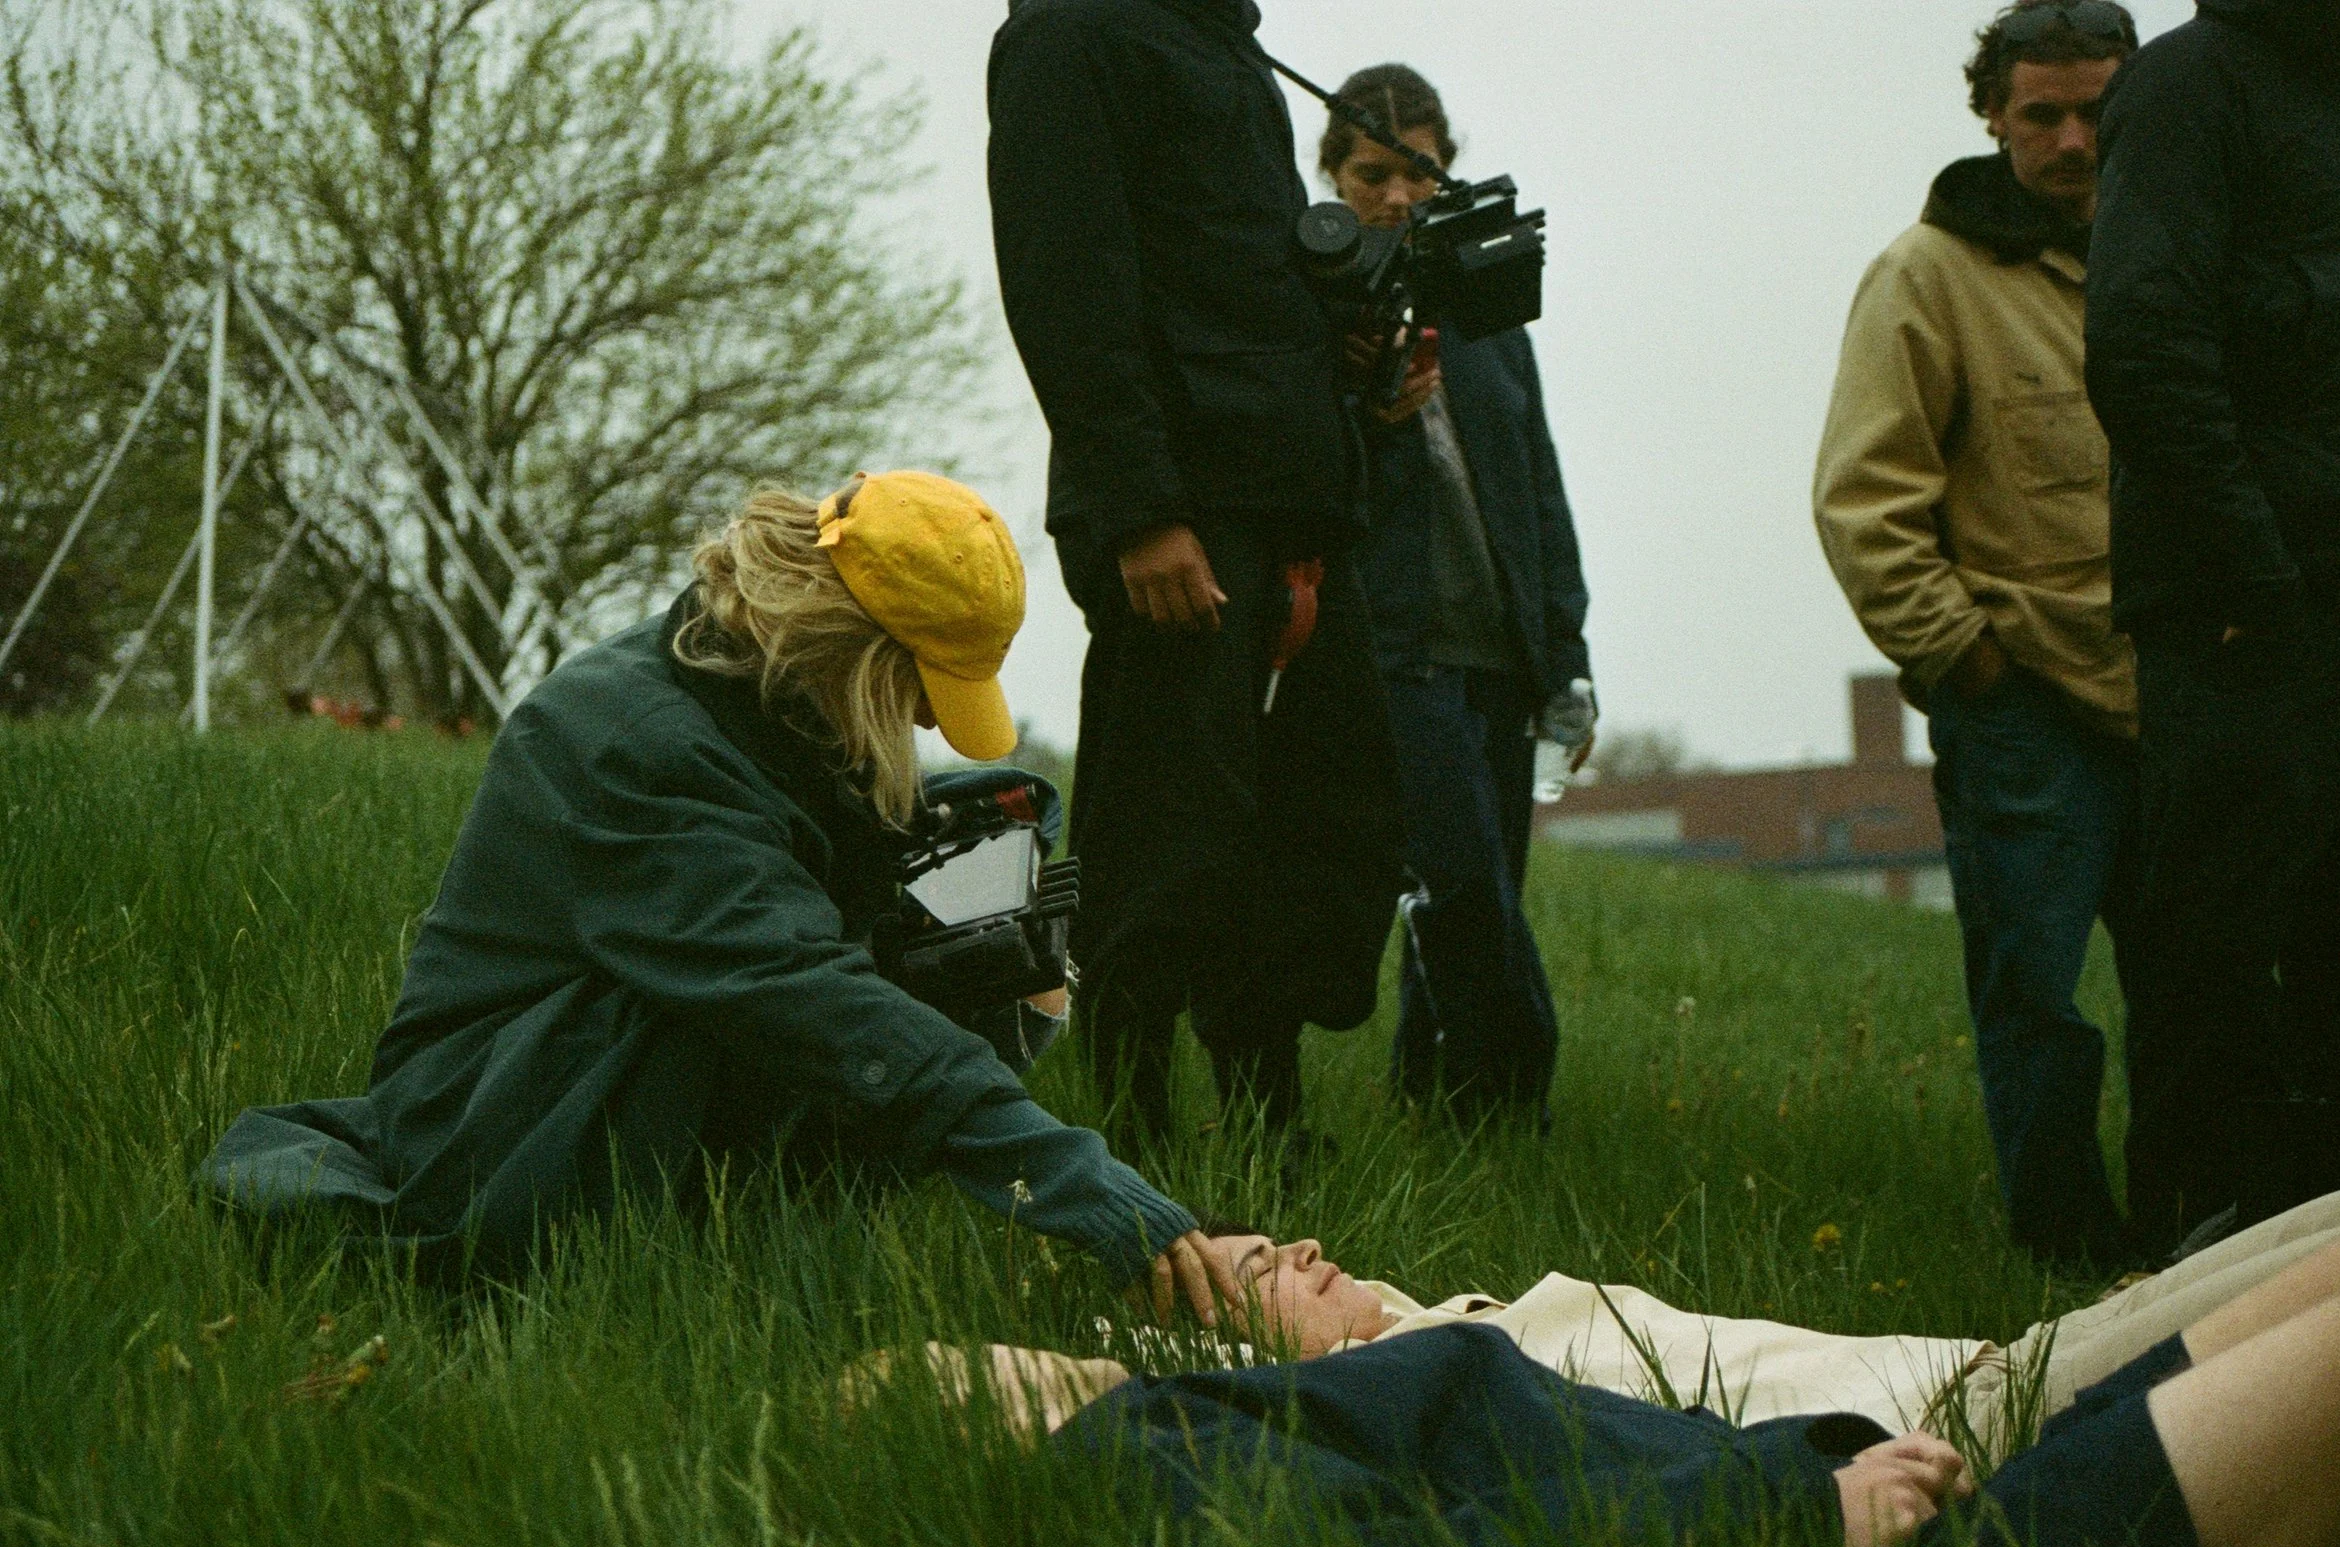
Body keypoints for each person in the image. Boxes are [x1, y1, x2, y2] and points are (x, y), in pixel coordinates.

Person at [198, 474, 1242, 1326]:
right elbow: (805, 993)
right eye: (921, 691)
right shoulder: (637, 746)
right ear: (851, 648)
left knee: (985, 890)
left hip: (606, 1068)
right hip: (495, 1129)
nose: (928, 723)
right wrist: (1090, 1192)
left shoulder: (764, 695)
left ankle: (759, 1236)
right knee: (825, 1014)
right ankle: (670, 1270)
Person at [865, 1200, 2340, 1547]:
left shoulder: (1215, 1425)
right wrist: (1795, 1514)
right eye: (960, 1368)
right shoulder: (1145, 1463)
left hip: (1893, 1509)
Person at [2085, 0, 2340, 1250]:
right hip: (2259, 631)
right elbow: (2144, 348)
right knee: (2218, 975)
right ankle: (2192, 1285)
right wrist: (2256, 587)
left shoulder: (2328, 101)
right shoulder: (2188, 88)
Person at [987, 0, 1407, 1152]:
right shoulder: (1069, 32)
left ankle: (1270, 1128)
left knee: (1313, 832)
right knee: (1163, 841)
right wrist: (1141, 514)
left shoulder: (1221, 38)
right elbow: (1064, 281)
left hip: (1291, 501)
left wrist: (1343, 342)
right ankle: (1132, 1146)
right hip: (1180, 512)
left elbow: (1231, 274)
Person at [869, 1182, 2340, 1461]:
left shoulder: (1437, 1317)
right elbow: (1078, 1380)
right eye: (1273, 1262)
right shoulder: (1409, 1388)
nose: (1316, 1250)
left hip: (2010, 1351)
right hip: (1981, 1425)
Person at [1813, 0, 2143, 1266]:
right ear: (1992, 117)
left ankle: (2204, 1239)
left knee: (2202, 994)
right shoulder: (1926, 276)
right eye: (2040, 114)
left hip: (2183, 697)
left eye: (2096, 113)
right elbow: (1862, 501)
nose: (2070, 141)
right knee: (2036, 998)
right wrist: (1971, 661)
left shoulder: (2178, 254)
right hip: (2027, 711)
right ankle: (2067, 1260)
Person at [1319, 65, 1594, 1127]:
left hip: (1501, 656)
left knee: (1478, 891)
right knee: (1463, 887)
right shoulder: (1316, 318)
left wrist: (1566, 655)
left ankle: (1432, 1106)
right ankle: (1514, 1103)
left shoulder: (1487, 315)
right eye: (1371, 174)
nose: (1397, 195)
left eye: (1420, 172)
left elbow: (1539, 487)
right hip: (1398, 653)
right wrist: (1364, 402)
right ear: (1332, 180)